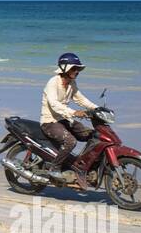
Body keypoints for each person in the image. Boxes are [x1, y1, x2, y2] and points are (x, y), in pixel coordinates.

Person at [40, 52, 99, 190]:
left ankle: (80, 166)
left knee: (93, 135)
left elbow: (80, 99)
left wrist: (97, 109)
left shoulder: (71, 83)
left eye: (78, 69)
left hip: (65, 119)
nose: (77, 71)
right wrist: (74, 112)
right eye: (74, 68)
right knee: (70, 141)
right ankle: (55, 167)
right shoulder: (53, 82)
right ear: (64, 68)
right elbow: (54, 104)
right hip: (50, 122)